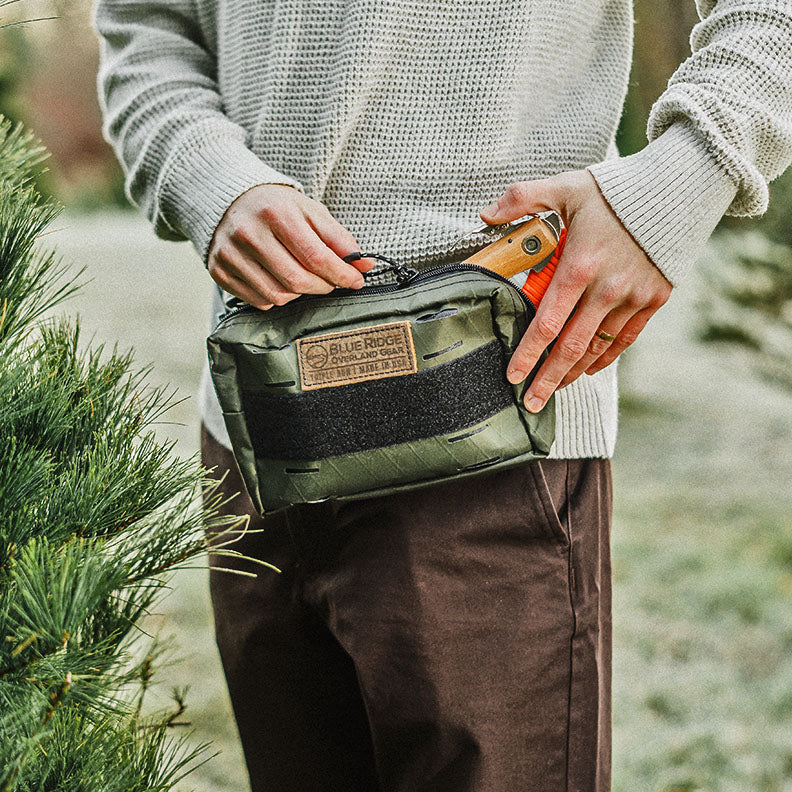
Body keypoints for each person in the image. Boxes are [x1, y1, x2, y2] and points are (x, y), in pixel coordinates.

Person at [93, 1, 792, 789]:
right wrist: (207, 179)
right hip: (257, 442)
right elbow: (145, 28)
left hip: (488, 439)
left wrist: (678, 180)